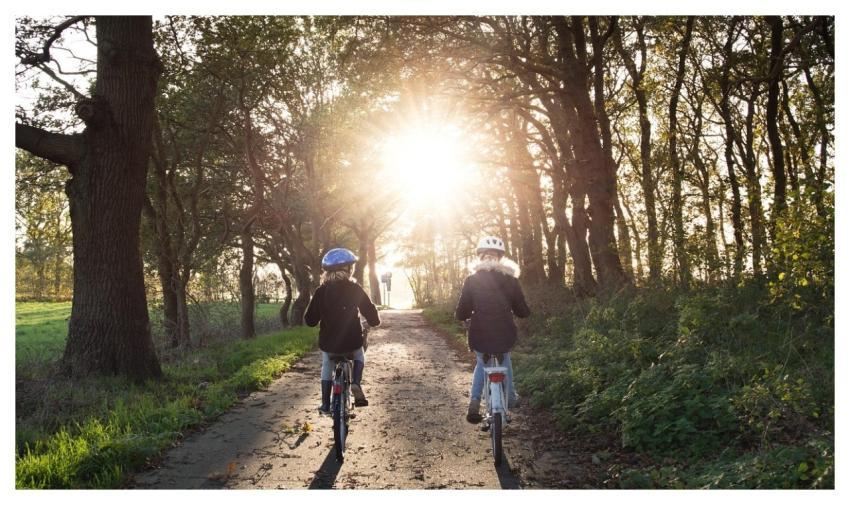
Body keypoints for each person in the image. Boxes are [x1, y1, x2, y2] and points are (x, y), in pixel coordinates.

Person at [455, 236, 530, 423]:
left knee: (482, 362)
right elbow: (522, 311)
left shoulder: (472, 280)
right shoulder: (511, 280)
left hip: (479, 332)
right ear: (500, 258)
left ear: (481, 257)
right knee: (505, 357)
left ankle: (474, 402)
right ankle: (511, 397)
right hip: (505, 331)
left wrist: (462, 317)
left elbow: (462, 310)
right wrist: (520, 311)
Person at [305, 247, 381, 414]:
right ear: (348, 269)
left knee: (327, 364)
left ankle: (325, 404)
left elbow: (309, 320)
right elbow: (371, 314)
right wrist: (374, 321)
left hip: (329, 344)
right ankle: (356, 383)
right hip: (352, 342)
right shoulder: (355, 289)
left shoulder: (321, 292)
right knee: (359, 354)